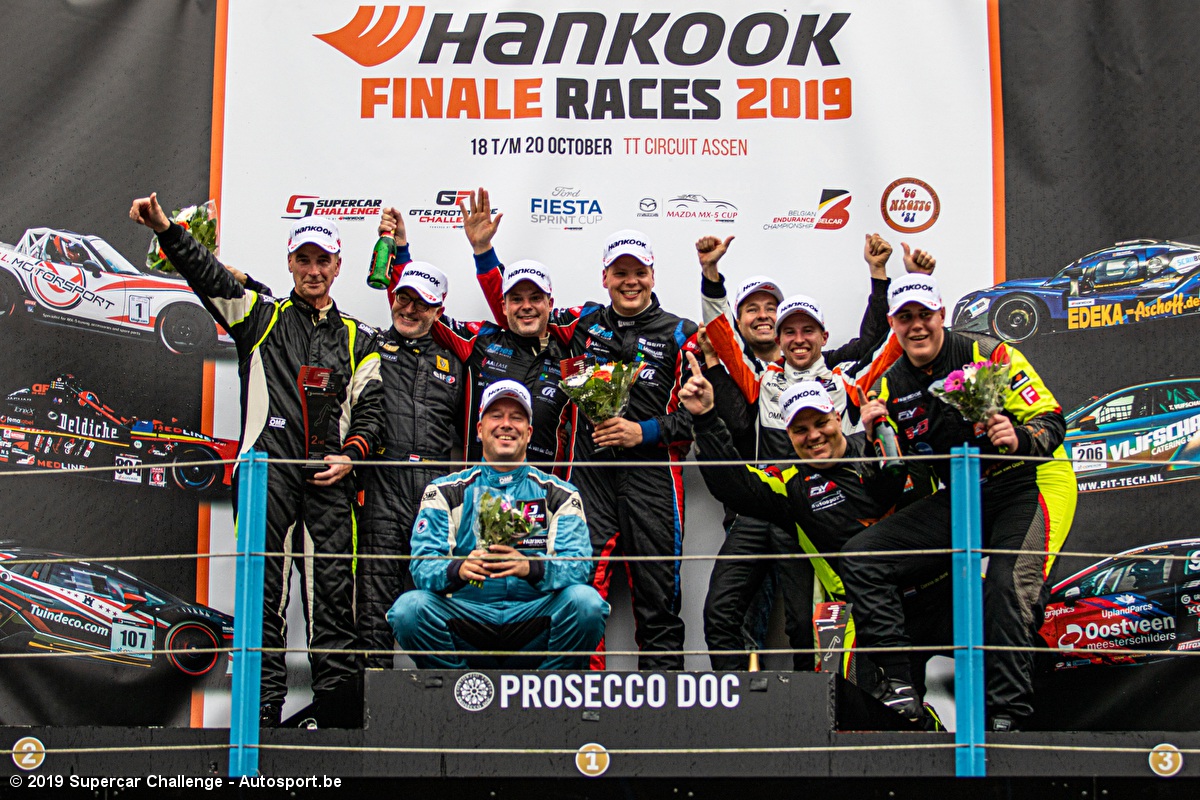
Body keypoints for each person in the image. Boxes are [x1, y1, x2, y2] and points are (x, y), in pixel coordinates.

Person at [129, 194, 384, 728]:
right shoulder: (259, 315)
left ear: (338, 266)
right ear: (289, 263)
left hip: (331, 484)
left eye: (323, 261)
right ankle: (261, 714)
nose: (313, 270)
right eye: (303, 260)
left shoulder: (359, 337)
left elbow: (372, 411)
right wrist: (167, 229)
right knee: (261, 600)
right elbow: (205, 274)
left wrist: (351, 455)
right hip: (266, 477)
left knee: (334, 601)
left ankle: (336, 718)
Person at [849, 274, 1078, 730]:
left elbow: (1052, 421)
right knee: (861, 556)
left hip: (1031, 480)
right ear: (893, 324)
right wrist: (876, 445)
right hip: (964, 492)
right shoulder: (890, 386)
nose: (917, 326)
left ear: (942, 315)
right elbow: (897, 483)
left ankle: (1006, 718)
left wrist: (1019, 436)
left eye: (925, 315)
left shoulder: (987, 352)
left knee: (1007, 585)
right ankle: (899, 685)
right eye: (905, 317)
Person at [695, 236, 931, 671]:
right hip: (765, 504)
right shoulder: (763, 378)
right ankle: (738, 701)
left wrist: (913, 281)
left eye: (808, 330)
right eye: (790, 331)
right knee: (720, 611)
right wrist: (711, 276)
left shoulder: (847, 379)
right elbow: (722, 337)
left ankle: (818, 705)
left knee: (807, 627)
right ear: (778, 338)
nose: (799, 339)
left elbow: (894, 344)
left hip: (816, 512)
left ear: (824, 335)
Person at [477, 229, 700, 670]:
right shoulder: (582, 322)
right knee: (579, 592)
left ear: (653, 276)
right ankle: (583, 695)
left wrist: (643, 432)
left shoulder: (680, 332)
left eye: (639, 272)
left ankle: (664, 702)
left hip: (653, 480)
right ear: (605, 277)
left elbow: (700, 416)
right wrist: (484, 253)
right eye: (620, 272)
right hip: (588, 479)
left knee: (658, 599)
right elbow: (521, 308)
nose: (630, 281)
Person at [679, 358, 944, 709]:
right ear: (788, 436)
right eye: (800, 430)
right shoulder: (790, 484)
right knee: (875, 713)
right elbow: (735, 485)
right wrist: (706, 418)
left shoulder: (884, 444)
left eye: (821, 423)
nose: (814, 436)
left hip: (941, 594)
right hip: (866, 617)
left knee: (1009, 643)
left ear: (837, 417)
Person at [387, 380, 609, 668]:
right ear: (480, 430)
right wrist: (458, 569)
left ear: (529, 433)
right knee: (409, 609)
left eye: (516, 417)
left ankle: (548, 690)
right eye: (496, 416)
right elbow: (422, 566)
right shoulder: (444, 491)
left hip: (534, 621)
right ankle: (459, 688)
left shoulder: (560, 494)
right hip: (468, 619)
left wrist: (532, 568)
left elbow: (578, 566)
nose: (506, 424)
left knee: (586, 604)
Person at [375, 189, 577, 477]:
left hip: (545, 495)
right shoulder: (480, 340)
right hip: (478, 492)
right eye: (516, 299)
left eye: (536, 298)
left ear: (550, 303)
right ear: (503, 305)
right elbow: (419, 312)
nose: (526, 306)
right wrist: (401, 252)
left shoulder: (571, 353)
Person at [356, 260, 468, 670]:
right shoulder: (367, 345)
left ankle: (443, 694)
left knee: (442, 598)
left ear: (438, 310)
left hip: (436, 493)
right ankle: (372, 697)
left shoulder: (456, 362)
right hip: (382, 484)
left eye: (421, 304)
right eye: (403, 298)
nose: (409, 309)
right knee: (374, 603)